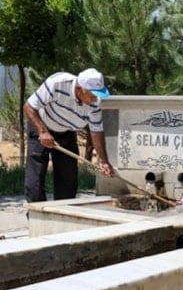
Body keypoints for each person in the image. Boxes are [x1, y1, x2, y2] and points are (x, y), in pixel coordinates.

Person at [23, 68, 115, 202]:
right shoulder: (57, 83)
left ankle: (63, 212)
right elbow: (29, 106)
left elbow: (96, 131)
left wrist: (103, 160)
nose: (95, 99)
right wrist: (42, 132)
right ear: (79, 89)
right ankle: (36, 212)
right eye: (92, 95)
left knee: (68, 179)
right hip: (42, 126)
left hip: (67, 133)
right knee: (35, 178)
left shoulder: (95, 103)